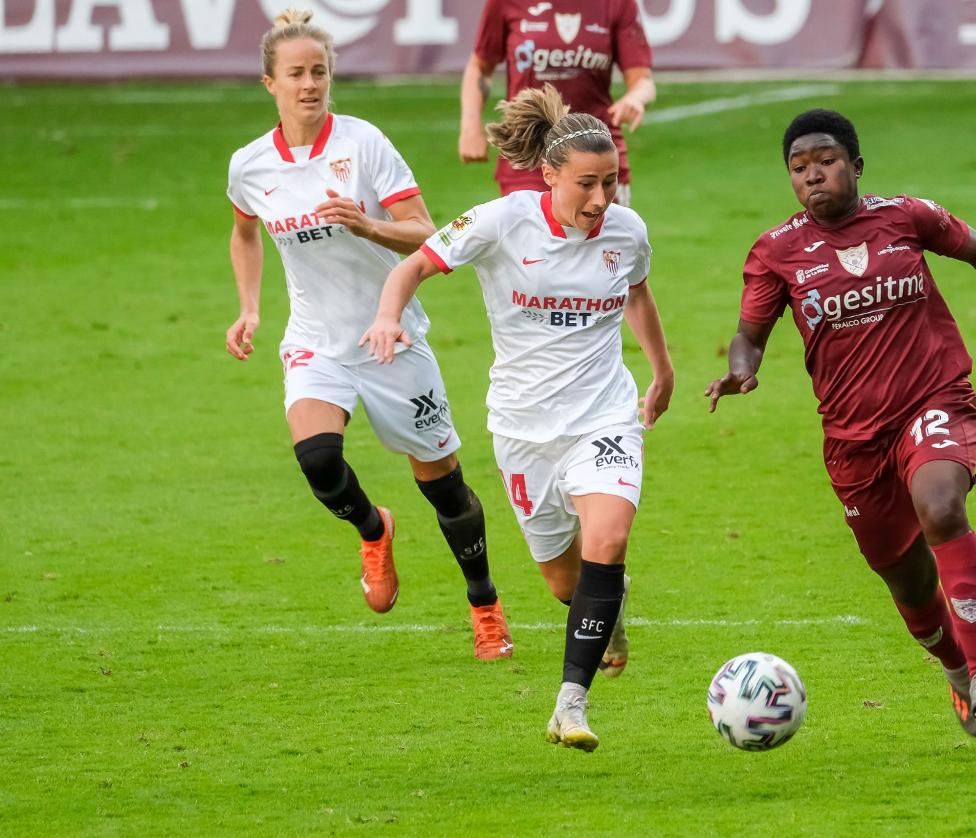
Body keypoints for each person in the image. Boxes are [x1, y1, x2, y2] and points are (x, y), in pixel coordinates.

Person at [705, 109, 976, 737]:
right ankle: (958, 670)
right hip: (853, 439)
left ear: (855, 165)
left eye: (825, 162)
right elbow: (748, 335)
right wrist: (742, 370)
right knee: (907, 583)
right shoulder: (777, 251)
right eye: (799, 169)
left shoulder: (906, 217)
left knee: (941, 507)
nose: (813, 176)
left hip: (932, 398)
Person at [363, 85, 674, 752]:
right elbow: (415, 264)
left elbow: (637, 293)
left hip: (604, 415)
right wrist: (388, 315)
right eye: (586, 184)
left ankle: (570, 704)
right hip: (523, 429)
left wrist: (662, 368)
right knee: (567, 581)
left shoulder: (628, 229)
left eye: (610, 183)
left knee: (609, 538)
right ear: (550, 174)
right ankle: (608, 611)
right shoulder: (499, 222)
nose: (600, 200)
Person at [224, 7, 513, 661]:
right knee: (318, 459)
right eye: (295, 74)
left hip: (392, 339)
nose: (309, 84)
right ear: (269, 82)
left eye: (319, 71)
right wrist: (249, 308)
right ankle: (372, 526)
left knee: (443, 487)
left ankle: (485, 605)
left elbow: (428, 231)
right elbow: (244, 230)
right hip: (315, 341)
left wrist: (368, 226)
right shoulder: (249, 166)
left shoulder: (363, 145)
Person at [458, 0, 656, 205]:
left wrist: (636, 98)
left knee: (603, 236)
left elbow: (643, 80)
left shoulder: (618, 4)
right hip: (529, 152)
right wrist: (470, 127)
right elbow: (480, 67)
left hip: (597, 155)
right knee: (530, 235)